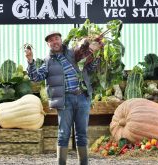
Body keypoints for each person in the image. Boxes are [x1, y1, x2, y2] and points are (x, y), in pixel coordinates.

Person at [25, 32, 101, 165]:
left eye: (56, 39)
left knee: (82, 134)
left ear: (61, 40)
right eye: (51, 40)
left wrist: (96, 54)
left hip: (82, 97)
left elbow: (90, 67)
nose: (54, 42)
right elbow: (36, 77)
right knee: (63, 134)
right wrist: (30, 60)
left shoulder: (74, 53)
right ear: (48, 44)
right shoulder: (48, 61)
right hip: (64, 101)